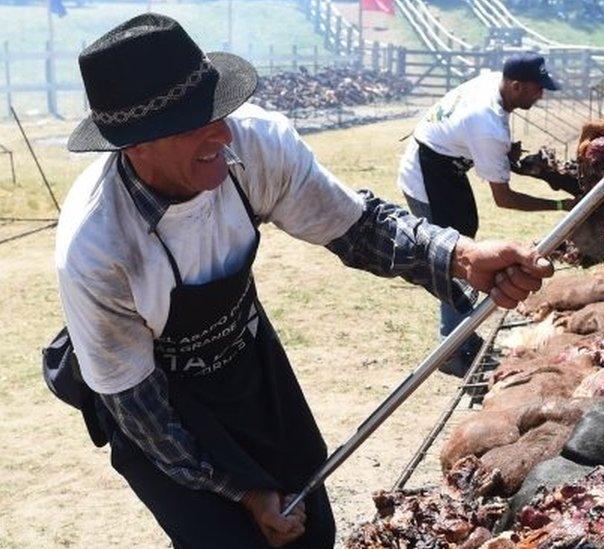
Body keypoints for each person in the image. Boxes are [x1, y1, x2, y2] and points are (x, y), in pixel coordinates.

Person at [54, 14, 555, 548]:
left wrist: (462, 255)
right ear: (134, 145)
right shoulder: (97, 248)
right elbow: (144, 414)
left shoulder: (253, 144)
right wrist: (244, 494)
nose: (221, 135)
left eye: (216, 111)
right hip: (159, 405)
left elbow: (358, 227)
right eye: (190, 125)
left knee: (312, 530)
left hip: (247, 361)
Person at [396, 52, 575, 376]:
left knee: (465, 231)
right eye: (537, 88)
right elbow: (504, 199)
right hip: (426, 173)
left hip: (447, 165)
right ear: (517, 86)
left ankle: (461, 335)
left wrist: (506, 158)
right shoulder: (488, 124)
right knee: (451, 256)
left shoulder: (495, 82)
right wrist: (561, 205)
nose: (541, 95)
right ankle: (452, 350)